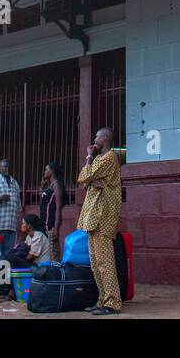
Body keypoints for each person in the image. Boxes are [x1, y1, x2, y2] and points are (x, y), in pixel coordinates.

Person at [77, 127, 123, 315]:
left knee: (105, 263)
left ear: (104, 138)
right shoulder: (100, 160)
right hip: (93, 217)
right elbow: (85, 180)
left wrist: (88, 157)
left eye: (97, 136)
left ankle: (113, 303)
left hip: (103, 216)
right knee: (96, 264)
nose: (94, 139)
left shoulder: (108, 158)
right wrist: (90, 181)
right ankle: (102, 300)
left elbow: (83, 177)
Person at [0, 158, 22, 255]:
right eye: (4, 166)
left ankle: (6, 270)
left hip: (12, 226)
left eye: (7, 166)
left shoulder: (15, 183)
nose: (6, 169)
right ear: (0, 168)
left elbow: (18, 205)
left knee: (9, 254)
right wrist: (0, 199)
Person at [40, 161, 66, 260]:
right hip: (45, 225)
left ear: (52, 171)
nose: (44, 172)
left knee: (53, 254)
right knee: (46, 254)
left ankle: (56, 274)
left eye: (46, 169)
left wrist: (56, 228)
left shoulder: (56, 185)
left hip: (51, 225)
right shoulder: (49, 186)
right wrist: (42, 187)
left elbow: (58, 207)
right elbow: (43, 201)